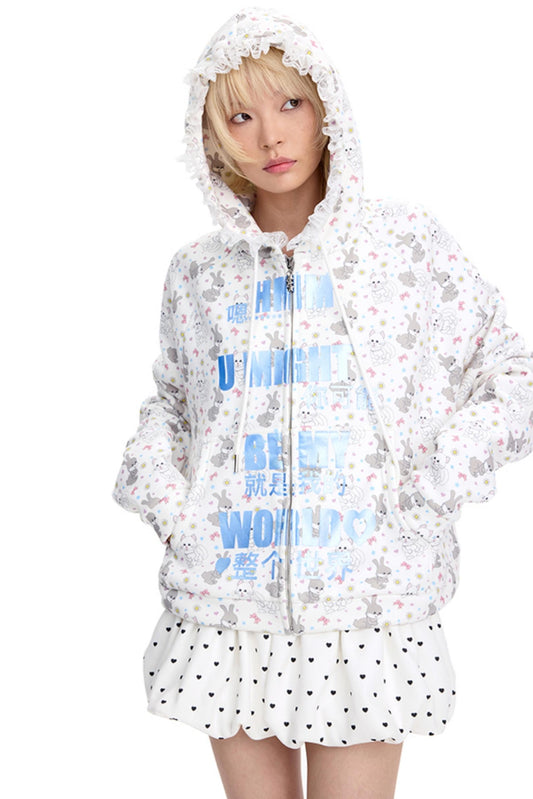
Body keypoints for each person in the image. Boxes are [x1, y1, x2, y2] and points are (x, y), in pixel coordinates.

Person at [112, 7, 533, 799]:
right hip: (230, 605)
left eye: (290, 104)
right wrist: (176, 509)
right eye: (240, 116)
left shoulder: (404, 243)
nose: (270, 136)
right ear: (212, 137)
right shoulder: (198, 271)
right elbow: (171, 405)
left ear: (326, 107)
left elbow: (513, 375)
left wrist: (428, 481)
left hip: (366, 606)